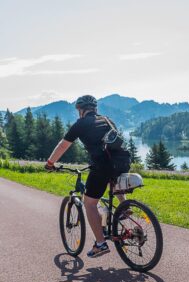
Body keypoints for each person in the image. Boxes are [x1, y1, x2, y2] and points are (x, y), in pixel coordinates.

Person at [45, 95, 129, 257]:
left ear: (80, 110)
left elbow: (63, 146)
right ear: (95, 109)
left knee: (90, 204)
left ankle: (100, 243)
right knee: (112, 178)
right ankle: (124, 208)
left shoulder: (81, 124)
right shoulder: (107, 120)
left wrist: (50, 163)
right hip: (122, 162)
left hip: (102, 165)